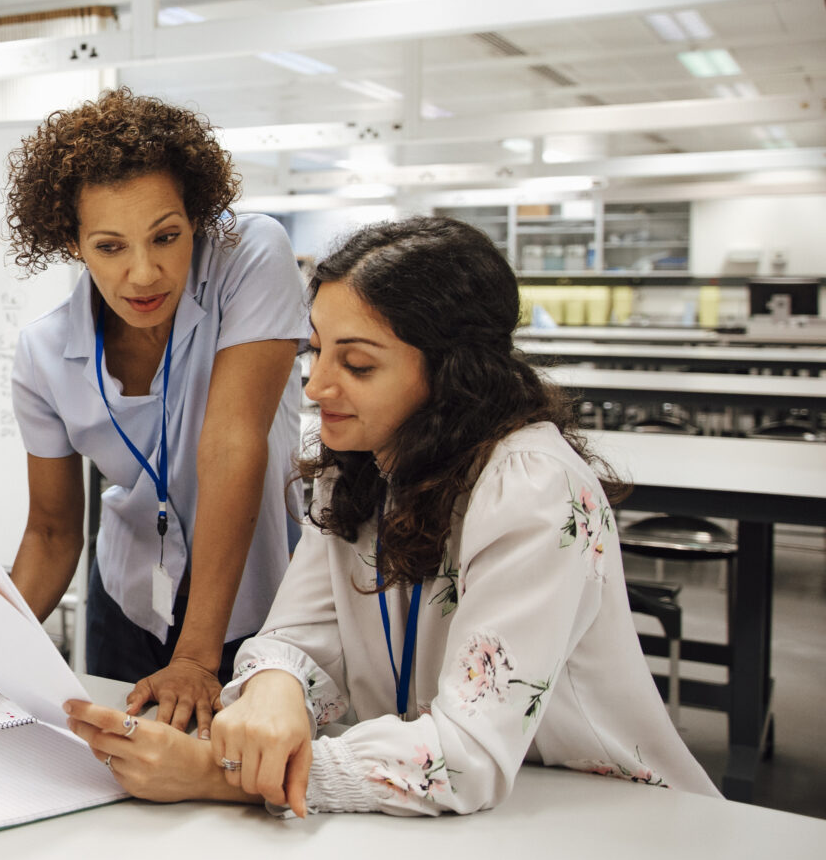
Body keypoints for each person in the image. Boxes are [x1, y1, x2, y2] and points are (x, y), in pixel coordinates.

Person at [63, 216, 719, 815]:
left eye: (356, 363)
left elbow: (467, 755)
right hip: (434, 826)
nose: (318, 386)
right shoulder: (360, 464)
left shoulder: (531, 491)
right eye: (315, 351)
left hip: (602, 821)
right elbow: (297, 636)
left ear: (451, 373)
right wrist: (273, 686)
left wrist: (218, 770)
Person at [0, 89, 305, 732]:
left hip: (257, 598)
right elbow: (52, 533)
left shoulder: (250, 257)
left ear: (196, 216)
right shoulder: (45, 352)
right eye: (110, 246)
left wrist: (195, 655)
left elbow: (232, 443)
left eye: (166, 236)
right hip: (128, 602)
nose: (143, 274)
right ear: (72, 242)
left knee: (236, 793)